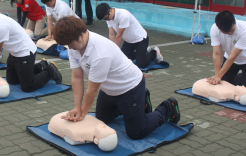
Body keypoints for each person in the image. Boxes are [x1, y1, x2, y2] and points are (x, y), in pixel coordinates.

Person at [52, 16, 180, 139]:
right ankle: (142, 102)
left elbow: (92, 91)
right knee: (101, 119)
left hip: (130, 87)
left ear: (81, 35)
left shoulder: (100, 53)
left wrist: (82, 114)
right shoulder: (73, 45)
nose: (70, 48)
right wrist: (77, 107)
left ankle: (168, 107)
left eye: (71, 44)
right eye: (67, 45)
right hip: (110, 90)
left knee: (136, 132)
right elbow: (77, 78)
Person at [0, 6, 62, 92]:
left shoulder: (0, 26)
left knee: (27, 86)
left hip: (25, 53)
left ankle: (50, 70)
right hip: (14, 53)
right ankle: (41, 66)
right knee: (12, 81)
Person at [207, 11, 246, 95]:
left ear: (234, 21)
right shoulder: (214, 29)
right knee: (224, 83)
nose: (230, 33)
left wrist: (219, 76)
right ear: (219, 28)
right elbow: (217, 54)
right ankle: (245, 77)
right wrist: (218, 76)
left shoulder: (245, 29)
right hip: (231, 60)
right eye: (226, 32)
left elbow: (233, 56)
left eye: (232, 30)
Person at [96, 3, 163, 68]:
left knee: (141, 64)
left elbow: (119, 35)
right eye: (105, 19)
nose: (107, 20)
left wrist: (115, 52)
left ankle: (154, 52)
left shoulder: (123, 15)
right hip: (129, 41)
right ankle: (145, 51)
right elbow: (112, 34)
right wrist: (112, 49)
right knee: (122, 59)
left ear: (110, 10)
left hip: (140, 40)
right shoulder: (108, 17)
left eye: (106, 18)